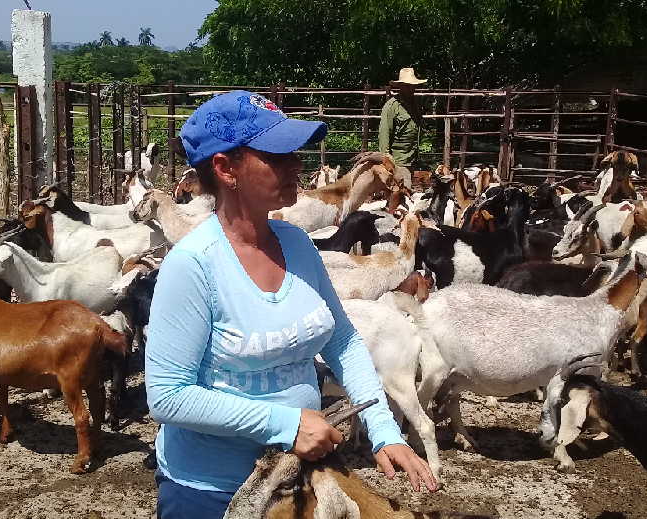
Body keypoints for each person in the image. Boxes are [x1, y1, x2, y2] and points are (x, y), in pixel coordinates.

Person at [145, 90, 437, 519]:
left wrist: (384, 431)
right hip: (213, 491)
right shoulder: (193, 265)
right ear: (227, 169)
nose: (296, 165)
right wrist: (287, 425)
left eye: (294, 153)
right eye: (276, 156)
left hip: (300, 478)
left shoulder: (298, 245)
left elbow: (343, 341)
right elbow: (168, 397)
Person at [378, 67, 428, 188]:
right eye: (407, 85)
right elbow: (384, 134)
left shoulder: (415, 104)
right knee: (402, 193)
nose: (411, 88)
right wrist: (387, 161)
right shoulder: (391, 106)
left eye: (412, 85)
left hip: (412, 158)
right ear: (401, 86)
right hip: (398, 161)